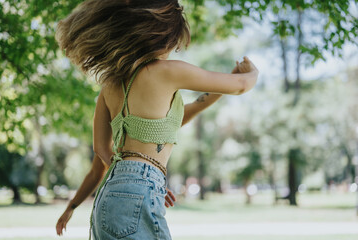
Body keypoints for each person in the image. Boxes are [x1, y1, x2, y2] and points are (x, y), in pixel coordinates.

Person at [54, 0, 258, 239]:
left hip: (108, 194)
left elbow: (101, 148)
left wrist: (127, 174)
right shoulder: (166, 71)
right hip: (140, 188)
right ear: (163, 35)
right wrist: (252, 72)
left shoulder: (108, 86)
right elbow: (241, 86)